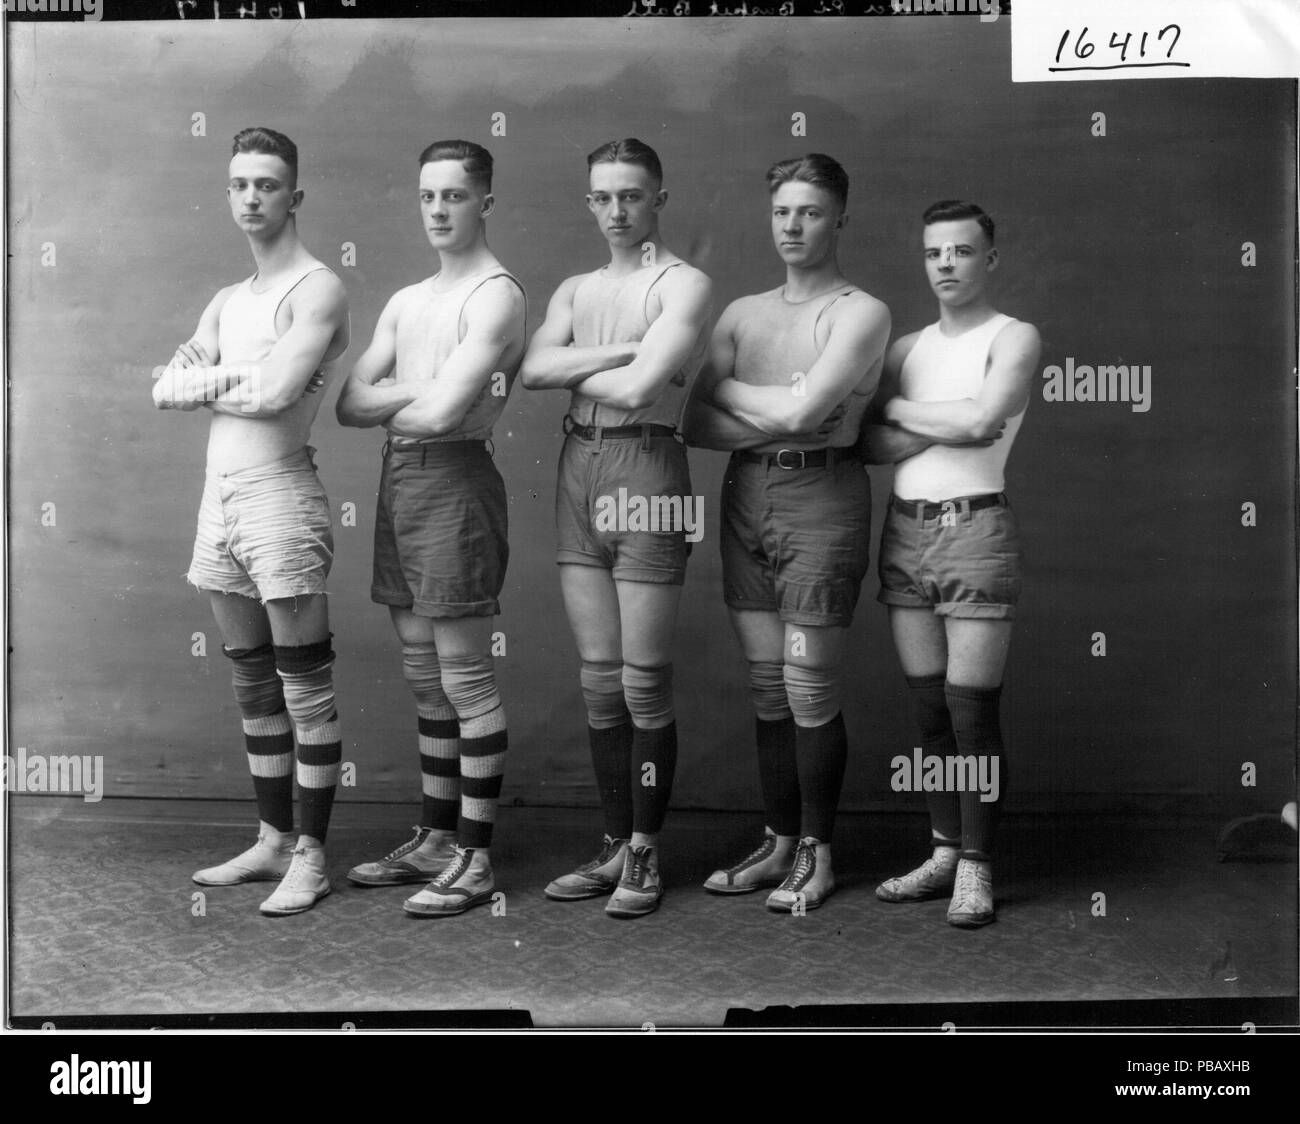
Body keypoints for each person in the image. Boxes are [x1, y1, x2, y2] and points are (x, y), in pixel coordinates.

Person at [683, 153, 889, 913]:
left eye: (809, 212)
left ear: (839, 217)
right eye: (782, 212)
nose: (793, 226)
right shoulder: (742, 312)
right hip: (747, 496)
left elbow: (807, 420)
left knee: (807, 682)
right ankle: (778, 840)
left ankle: (818, 851)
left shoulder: (860, 311)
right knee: (768, 684)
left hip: (822, 496)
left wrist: (743, 398)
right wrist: (782, 402)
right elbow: (694, 421)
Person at [153, 127, 350, 916]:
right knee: (251, 679)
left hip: (278, 493)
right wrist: (242, 376)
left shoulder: (318, 289)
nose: (251, 198)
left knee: (304, 685)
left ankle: (312, 854)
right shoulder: (227, 302)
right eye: (239, 184)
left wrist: (214, 382)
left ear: (294, 196)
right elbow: (164, 390)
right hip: (219, 498)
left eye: (267, 184)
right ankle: (272, 840)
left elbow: (277, 399)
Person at [520, 139, 713, 918]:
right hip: (580, 466)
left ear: (659, 198)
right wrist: (634, 348)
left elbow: (637, 393)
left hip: (647, 467)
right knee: (599, 680)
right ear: (589, 201)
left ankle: (645, 849)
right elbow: (532, 371)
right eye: (602, 197)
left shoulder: (685, 282)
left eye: (631, 195)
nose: (616, 211)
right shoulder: (574, 286)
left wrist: (584, 363)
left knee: (641, 680)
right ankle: (612, 841)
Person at [334, 140, 527, 918]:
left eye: (454, 195)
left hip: (455, 478)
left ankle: (476, 857)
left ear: (485, 201)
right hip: (399, 479)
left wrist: (406, 393)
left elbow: (448, 415)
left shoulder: (496, 295)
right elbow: (349, 404)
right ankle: (439, 837)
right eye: (427, 196)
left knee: (465, 676)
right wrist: (427, 384)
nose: (439, 210)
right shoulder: (407, 301)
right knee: (423, 675)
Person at [860, 199, 1041, 927]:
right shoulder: (905, 349)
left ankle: (977, 865)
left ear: (988, 259)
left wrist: (905, 415)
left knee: (971, 715)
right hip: (905, 531)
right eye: (935, 252)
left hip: (977, 529)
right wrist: (924, 417)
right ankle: (943, 850)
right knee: (930, 712)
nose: (946, 264)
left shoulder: (1014, 336)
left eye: (962, 252)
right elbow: (868, 446)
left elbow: (981, 424)